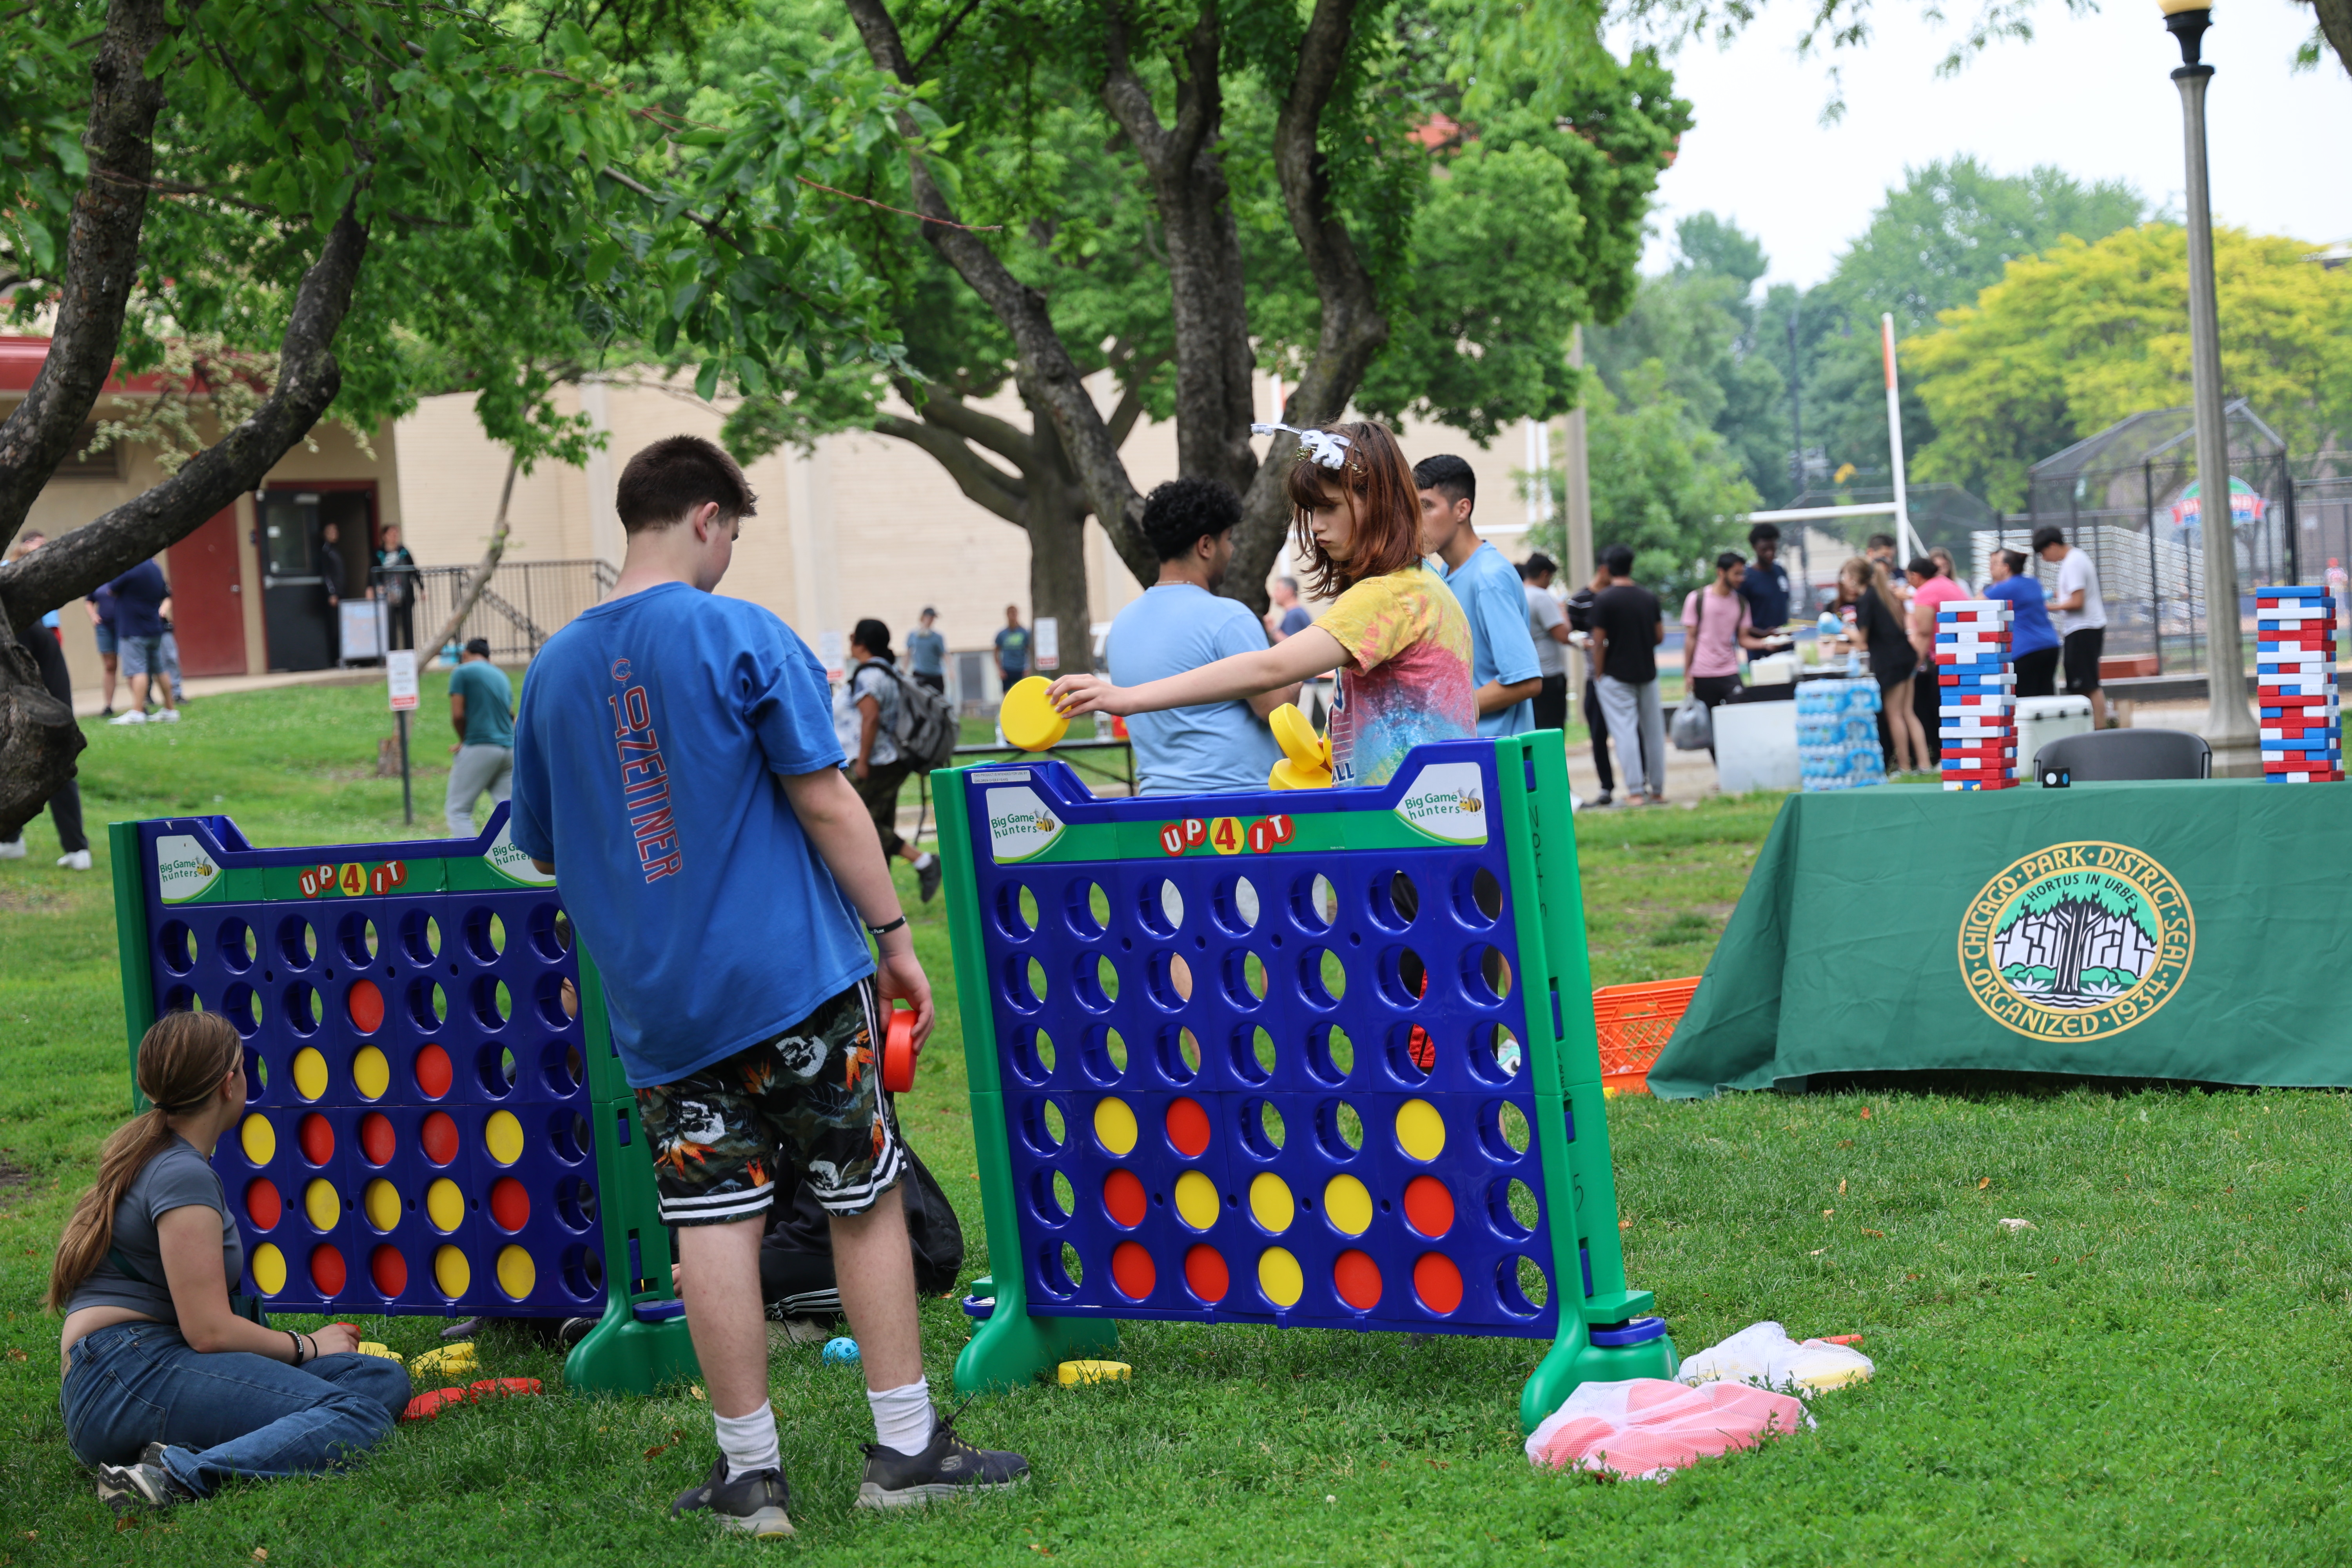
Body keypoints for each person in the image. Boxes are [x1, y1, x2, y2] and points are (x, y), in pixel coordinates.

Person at [509, 435, 1027, 1532]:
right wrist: (894, 937)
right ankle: (904, 1450)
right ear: (705, 515)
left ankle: (750, 1478)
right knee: (862, 1192)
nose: (733, 550)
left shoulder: (549, 673)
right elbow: (830, 799)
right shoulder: (741, 632)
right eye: (735, 530)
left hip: (660, 1009)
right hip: (793, 981)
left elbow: (546, 846)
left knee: (712, 1221)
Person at [50, 1011, 412, 1510]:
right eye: (243, 1068)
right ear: (228, 1083)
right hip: (127, 1373)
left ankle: (179, 1450)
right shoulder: (181, 1174)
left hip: (131, 1370)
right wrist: (306, 1345)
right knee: (360, 1415)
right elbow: (209, 1332)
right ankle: (173, 1476)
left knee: (378, 1379)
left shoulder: (163, 1155)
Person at [1046, 419, 1473, 789]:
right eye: (1310, 510)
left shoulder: (1389, 593)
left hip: (1418, 835)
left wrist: (1126, 698)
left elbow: (1269, 669)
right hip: (1430, 821)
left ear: (1378, 501)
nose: (1317, 527)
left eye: (1329, 508)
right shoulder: (1415, 584)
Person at [1105, 476, 1296, 795]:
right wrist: (1295, 674)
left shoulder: (1121, 625)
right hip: (1239, 816)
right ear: (1206, 546)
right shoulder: (1228, 617)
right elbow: (1274, 709)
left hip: (1157, 812)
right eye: (1229, 539)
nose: (1232, 550)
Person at [1414, 455, 1542, 737]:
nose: (1415, 519)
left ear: (1462, 510)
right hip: (1466, 755)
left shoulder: (1489, 577)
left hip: (1496, 762)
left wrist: (1442, 712)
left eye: (1426, 506)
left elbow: (1527, 681)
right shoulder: (1446, 571)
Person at [0, 533, 91, 869]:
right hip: (25, 683)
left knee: (55, 758)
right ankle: (10, 840)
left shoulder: (21, 618)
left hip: (47, 685)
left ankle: (77, 848)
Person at [838, 617, 944, 902]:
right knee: (876, 822)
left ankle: (924, 862)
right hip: (891, 761)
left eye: (852, 636)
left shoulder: (868, 675)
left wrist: (861, 762)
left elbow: (870, 718)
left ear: (860, 642)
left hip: (874, 762)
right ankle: (879, 898)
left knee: (853, 823)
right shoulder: (888, 672)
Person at [1588, 545, 1668, 805]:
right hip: (1647, 672)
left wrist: (1599, 674)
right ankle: (1657, 790)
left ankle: (1635, 792)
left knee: (1625, 733)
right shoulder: (1648, 597)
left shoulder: (1605, 600)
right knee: (1654, 733)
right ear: (1631, 567)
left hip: (1616, 675)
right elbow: (1659, 636)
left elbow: (1599, 643)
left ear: (1608, 569)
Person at [1839, 557, 1926, 773]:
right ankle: (1925, 764)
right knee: (1908, 712)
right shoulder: (1880, 594)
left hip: (1892, 662)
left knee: (1894, 714)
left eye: (1845, 576)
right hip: (1906, 657)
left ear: (1853, 579)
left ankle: (1905, 767)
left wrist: (1841, 629)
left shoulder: (1866, 600)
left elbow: (1861, 640)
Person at [1681, 552, 1769, 746]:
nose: (1741, 579)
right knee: (1709, 729)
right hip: (1702, 672)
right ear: (1721, 572)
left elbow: (1744, 639)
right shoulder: (1697, 599)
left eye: (1742, 574)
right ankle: (1722, 771)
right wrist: (1688, 673)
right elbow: (1691, 638)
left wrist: (1766, 643)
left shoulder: (1741, 603)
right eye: (1737, 574)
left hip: (1729, 670)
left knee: (1738, 718)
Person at [2035, 525, 2107, 728]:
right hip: (2081, 628)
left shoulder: (2074, 562)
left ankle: (2099, 729)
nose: (2044, 558)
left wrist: (2048, 607)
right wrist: (2055, 596)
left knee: (2088, 685)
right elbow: (2072, 594)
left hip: (2084, 628)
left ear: (2053, 546)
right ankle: (2093, 728)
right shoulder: (2074, 559)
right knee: (2082, 683)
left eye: (2043, 553)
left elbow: (2077, 602)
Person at [445, 637, 514, 837]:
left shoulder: (462, 672)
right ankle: (520, 864)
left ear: (465, 654)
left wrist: (464, 740)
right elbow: (511, 715)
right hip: (509, 749)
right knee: (511, 813)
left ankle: (467, 865)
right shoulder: (501, 676)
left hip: (480, 746)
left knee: (458, 810)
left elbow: (458, 715)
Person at [1905, 555, 1971, 764]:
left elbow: (1924, 633)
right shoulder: (1945, 584)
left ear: (1915, 576)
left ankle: (1948, 757)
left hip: (1949, 658)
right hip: (1965, 652)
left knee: (1942, 707)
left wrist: (1912, 664)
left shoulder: (1925, 592)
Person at [1564, 564, 1619, 806]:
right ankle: (1607, 787)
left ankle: (1641, 784)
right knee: (1598, 735)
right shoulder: (1579, 602)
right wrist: (1585, 644)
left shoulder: (1618, 597)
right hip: (1593, 676)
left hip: (1620, 675)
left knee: (1630, 733)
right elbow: (1571, 634)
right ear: (1604, 570)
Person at [104, 557, 178, 726]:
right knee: (160, 669)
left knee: (137, 670)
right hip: (153, 628)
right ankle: (170, 710)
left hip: (133, 629)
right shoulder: (155, 567)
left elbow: (111, 589)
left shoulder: (132, 567)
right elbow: (164, 593)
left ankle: (137, 712)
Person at [1987, 548, 2060, 698]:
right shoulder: (2033, 583)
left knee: (2026, 699)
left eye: (1995, 564)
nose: (1991, 568)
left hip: (2026, 651)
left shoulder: (2005, 588)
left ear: (2006, 568)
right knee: (2045, 695)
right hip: (2050, 645)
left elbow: (1972, 605)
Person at [1520, 553, 1572, 733]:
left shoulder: (1518, 594)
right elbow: (1563, 635)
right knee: (1552, 729)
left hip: (1528, 672)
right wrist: (1561, 609)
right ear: (1544, 574)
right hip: (1550, 674)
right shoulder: (1542, 597)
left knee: (1536, 729)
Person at [1738, 523, 1794, 632]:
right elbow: (1740, 619)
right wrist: (1764, 634)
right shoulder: (1747, 578)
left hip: (1786, 642)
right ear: (1754, 548)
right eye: (1764, 549)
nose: (1770, 553)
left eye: (1773, 548)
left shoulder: (1780, 571)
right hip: (1760, 645)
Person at [374, 523, 417, 651]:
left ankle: (410, 651)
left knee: (407, 625)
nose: (395, 537)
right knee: (390, 626)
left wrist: (422, 588)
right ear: (384, 536)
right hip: (388, 596)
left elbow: (414, 570)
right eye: (392, 534)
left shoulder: (403, 551)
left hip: (405, 594)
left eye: (396, 534)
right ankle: (392, 653)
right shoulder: (379, 553)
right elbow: (373, 573)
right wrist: (373, 587)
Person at [85, 580, 120, 717]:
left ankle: (142, 703)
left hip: (125, 625)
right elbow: (89, 600)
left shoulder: (123, 577)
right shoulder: (99, 579)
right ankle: (108, 706)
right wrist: (93, 616)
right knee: (110, 665)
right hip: (104, 627)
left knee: (134, 664)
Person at [904, 608, 946, 695]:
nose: (931, 621)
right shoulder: (913, 636)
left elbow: (945, 654)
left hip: (936, 674)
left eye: (933, 619)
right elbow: (908, 654)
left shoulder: (937, 637)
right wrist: (904, 670)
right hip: (920, 674)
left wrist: (951, 669)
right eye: (930, 618)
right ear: (923, 618)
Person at [993, 605, 1030, 693]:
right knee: (1007, 694)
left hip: (1021, 669)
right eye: (1011, 614)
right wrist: (1000, 670)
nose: (1013, 616)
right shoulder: (1002, 634)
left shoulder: (1024, 633)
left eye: (1014, 613)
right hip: (1007, 669)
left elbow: (1029, 651)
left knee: (1022, 694)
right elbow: (996, 652)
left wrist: (1028, 668)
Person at [1265, 576, 1313, 641]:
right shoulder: (1298, 613)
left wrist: (1272, 629)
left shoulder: (1294, 615)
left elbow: (1291, 643)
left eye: (1278, 590)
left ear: (1288, 592)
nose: (1274, 594)